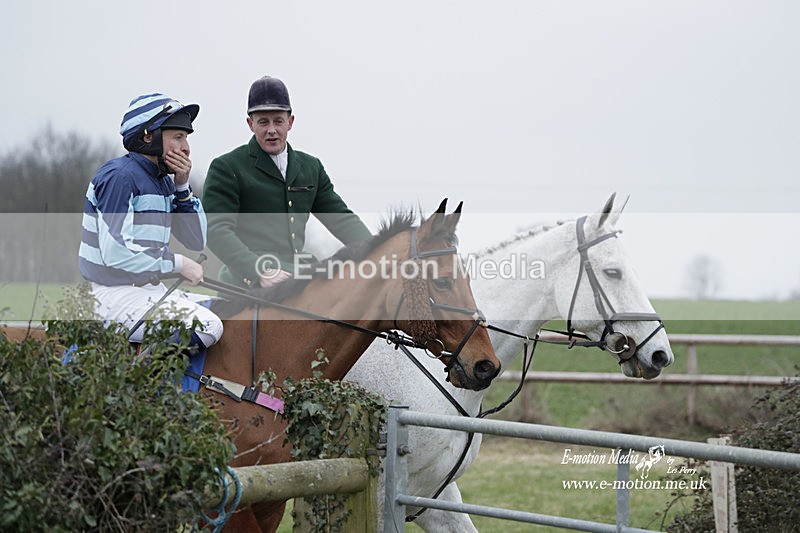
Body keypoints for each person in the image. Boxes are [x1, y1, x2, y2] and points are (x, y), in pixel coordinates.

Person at [78, 93, 223, 353]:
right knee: (208, 326)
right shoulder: (119, 177)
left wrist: (182, 186)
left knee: (228, 310)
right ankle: (142, 388)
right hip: (109, 296)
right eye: (178, 137)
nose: (187, 147)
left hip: (147, 291)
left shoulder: (164, 182)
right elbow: (116, 254)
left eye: (186, 137)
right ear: (149, 137)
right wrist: (178, 264)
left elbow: (197, 239)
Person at [203, 76, 372, 289]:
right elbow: (216, 231)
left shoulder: (311, 167)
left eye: (278, 121)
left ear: (290, 122)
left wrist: (379, 249)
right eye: (263, 122)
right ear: (250, 123)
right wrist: (259, 270)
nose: (271, 129)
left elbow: (341, 219)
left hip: (299, 274)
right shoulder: (227, 167)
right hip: (247, 283)